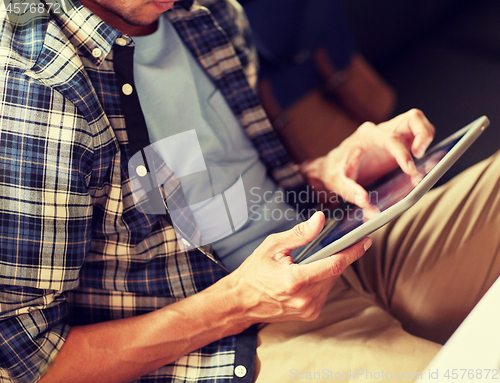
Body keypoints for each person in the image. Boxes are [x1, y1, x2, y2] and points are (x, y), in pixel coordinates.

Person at [0, 1, 498, 383]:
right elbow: (29, 363)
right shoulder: (34, 92)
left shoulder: (207, 15)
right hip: (237, 336)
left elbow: (217, 189)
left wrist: (325, 172)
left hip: (330, 250)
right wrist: (240, 302)